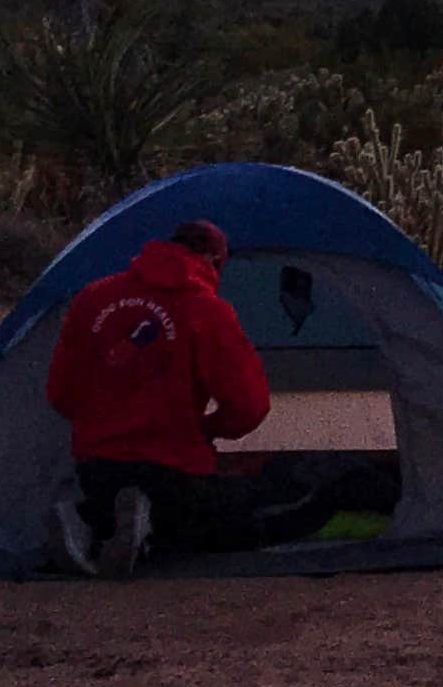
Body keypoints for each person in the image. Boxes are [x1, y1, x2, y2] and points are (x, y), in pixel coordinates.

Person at [40, 219, 271, 576]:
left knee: (120, 501)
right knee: (247, 517)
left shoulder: (93, 298)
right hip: (174, 472)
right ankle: (144, 529)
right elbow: (250, 406)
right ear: (212, 261)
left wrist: (107, 423)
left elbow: (61, 394)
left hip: (96, 470)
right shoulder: (206, 310)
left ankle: (92, 521)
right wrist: (207, 429)